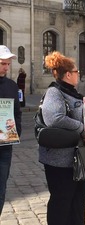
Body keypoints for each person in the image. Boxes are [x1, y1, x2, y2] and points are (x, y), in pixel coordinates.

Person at [40, 51, 85, 225]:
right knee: (61, 202)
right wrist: (82, 129)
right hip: (60, 161)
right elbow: (55, 118)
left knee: (79, 201)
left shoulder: (77, 94)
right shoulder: (54, 92)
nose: (78, 75)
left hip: (81, 158)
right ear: (68, 74)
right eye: (76, 72)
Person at [0, 45, 22, 215]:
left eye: (7, 64)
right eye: (2, 63)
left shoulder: (12, 86)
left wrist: (16, 131)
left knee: (1, 188)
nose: (6, 67)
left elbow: (17, 113)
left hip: (5, 145)